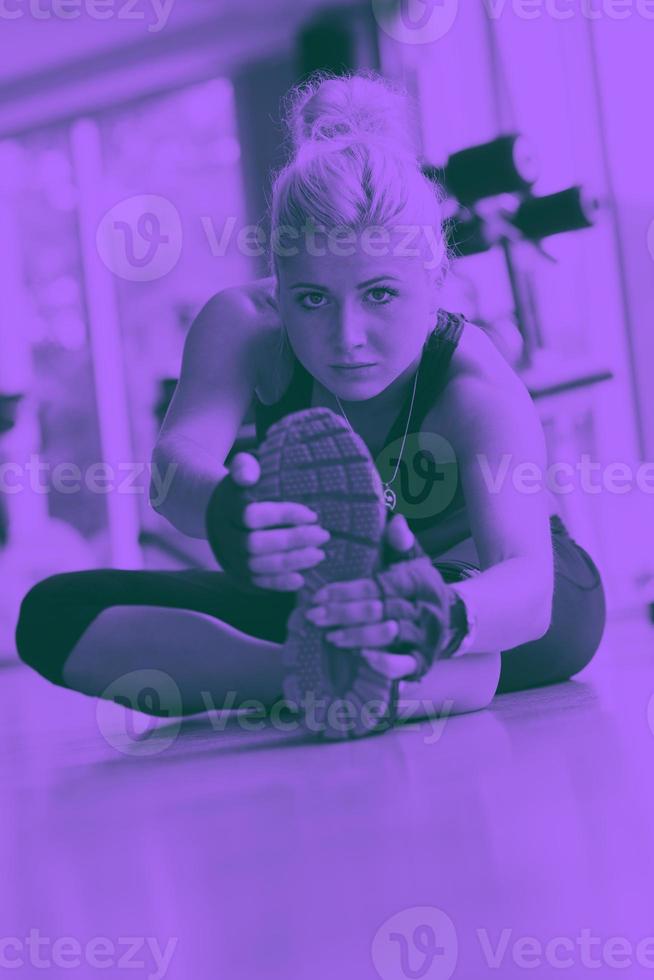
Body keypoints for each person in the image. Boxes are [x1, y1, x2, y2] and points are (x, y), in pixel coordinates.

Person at [15, 70, 606, 732]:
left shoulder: (475, 379)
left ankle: (367, 664)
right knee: (52, 614)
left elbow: (526, 590)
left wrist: (444, 614)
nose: (346, 338)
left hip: (475, 600)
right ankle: (337, 674)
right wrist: (221, 510)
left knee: (561, 620)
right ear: (279, 280)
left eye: (380, 294)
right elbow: (171, 470)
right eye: (313, 299)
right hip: (331, 603)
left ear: (434, 275)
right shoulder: (243, 324)